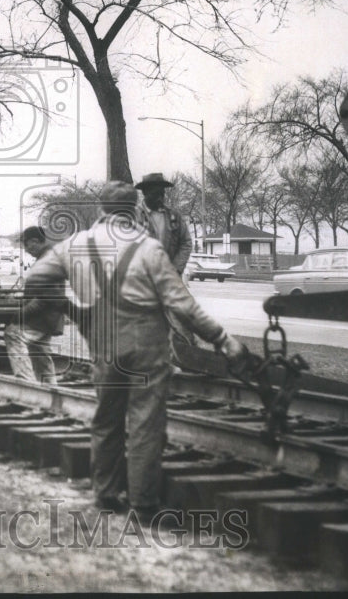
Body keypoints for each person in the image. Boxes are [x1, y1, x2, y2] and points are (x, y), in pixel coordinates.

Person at [28, 181, 246, 521]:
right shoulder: (148, 248)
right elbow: (182, 305)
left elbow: (36, 280)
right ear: (134, 210)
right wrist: (222, 339)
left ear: (102, 210)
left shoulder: (75, 244)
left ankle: (106, 495)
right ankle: (143, 504)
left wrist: (76, 311)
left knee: (106, 418)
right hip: (146, 342)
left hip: (103, 341)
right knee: (145, 421)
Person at [4, 226, 66, 384]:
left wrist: (21, 313)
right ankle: (51, 389)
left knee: (13, 334)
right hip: (49, 316)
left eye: (26, 244)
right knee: (40, 352)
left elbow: (44, 298)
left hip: (43, 317)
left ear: (35, 241)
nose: (26, 249)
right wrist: (21, 299)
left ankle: (27, 385)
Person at [135, 172, 192, 274]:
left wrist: (176, 268)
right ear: (145, 192)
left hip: (168, 276)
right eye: (155, 194)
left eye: (162, 194)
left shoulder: (174, 216)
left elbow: (186, 242)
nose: (160, 198)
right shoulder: (134, 216)